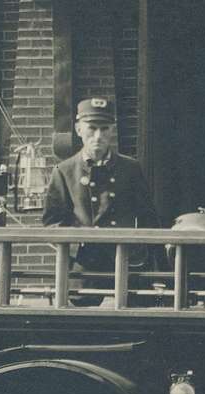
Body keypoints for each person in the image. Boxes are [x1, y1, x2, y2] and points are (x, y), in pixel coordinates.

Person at [42, 97, 159, 271]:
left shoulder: (130, 168)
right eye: (92, 128)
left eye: (104, 129)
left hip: (127, 261)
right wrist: (78, 246)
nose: (98, 136)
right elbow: (52, 223)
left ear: (112, 130)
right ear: (79, 129)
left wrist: (140, 251)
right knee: (77, 297)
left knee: (138, 297)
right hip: (85, 263)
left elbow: (148, 218)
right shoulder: (64, 171)